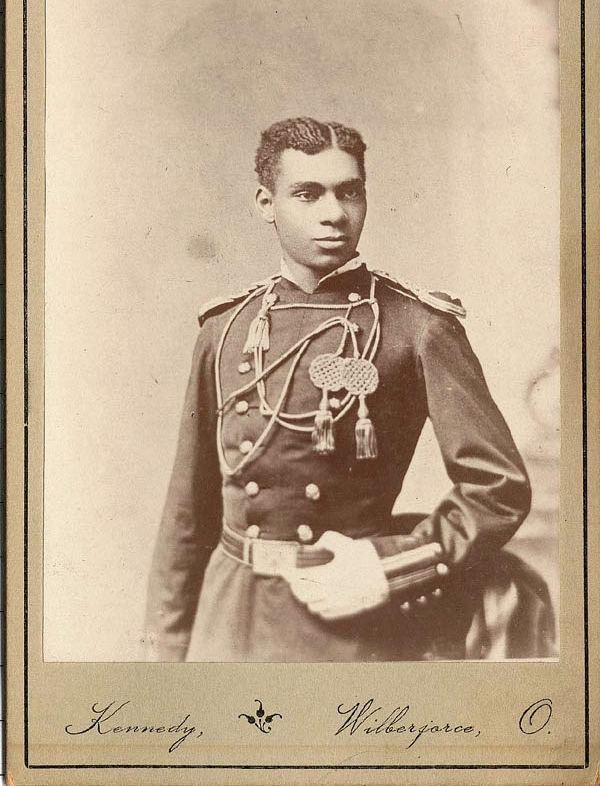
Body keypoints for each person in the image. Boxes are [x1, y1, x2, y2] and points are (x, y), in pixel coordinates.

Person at [144, 116, 554, 662]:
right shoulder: (225, 329)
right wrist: (165, 649)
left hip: (345, 618)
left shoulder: (417, 327)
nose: (334, 213)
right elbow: (187, 513)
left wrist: (390, 565)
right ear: (266, 203)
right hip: (228, 617)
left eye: (349, 192)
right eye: (307, 194)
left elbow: (497, 488)